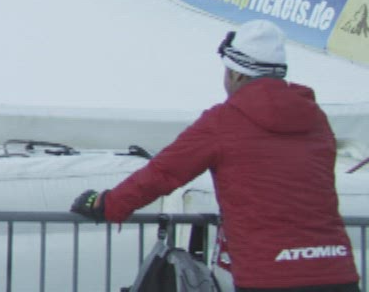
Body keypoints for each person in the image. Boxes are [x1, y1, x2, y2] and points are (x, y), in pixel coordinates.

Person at [71, 21, 358, 292]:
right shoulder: (316, 120)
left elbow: (163, 173)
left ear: (237, 73)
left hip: (269, 276)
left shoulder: (224, 121)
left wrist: (108, 204)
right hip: (336, 272)